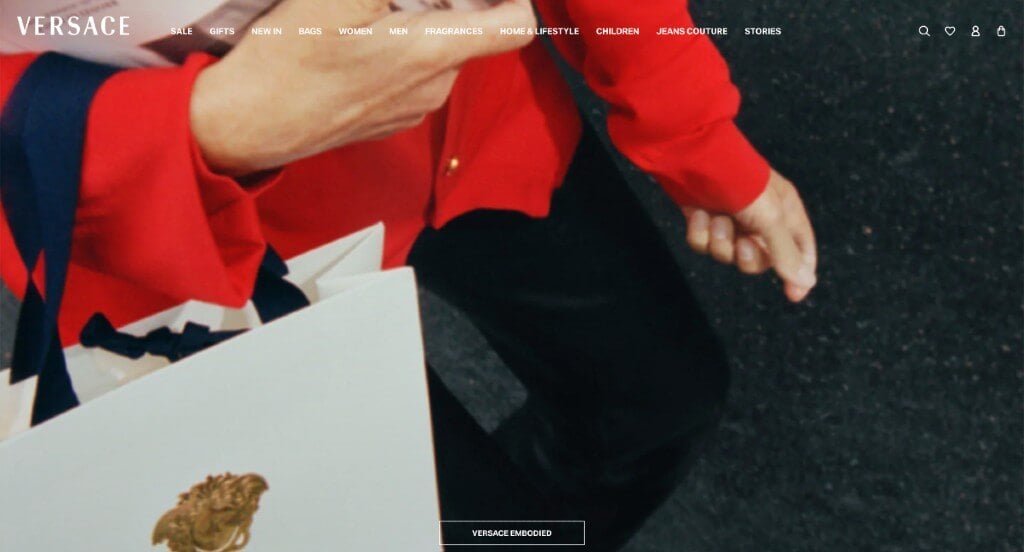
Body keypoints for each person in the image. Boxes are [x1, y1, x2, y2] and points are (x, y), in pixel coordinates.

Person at [0, 0, 817, 548]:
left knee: (661, 404)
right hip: (190, 237)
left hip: (471, 110)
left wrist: (691, 126)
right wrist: (191, 133)